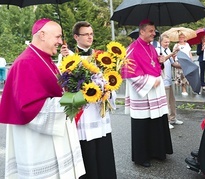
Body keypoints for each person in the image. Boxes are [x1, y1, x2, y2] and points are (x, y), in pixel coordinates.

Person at [0, 18, 85, 178]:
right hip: (37, 143)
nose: (61, 41)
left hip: (49, 138)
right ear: (43, 35)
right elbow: (29, 108)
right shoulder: (25, 62)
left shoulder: (44, 58)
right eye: (58, 37)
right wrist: (74, 99)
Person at [60, 21, 117, 179]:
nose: (90, 37)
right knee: (88, 152)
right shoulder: (68, 57)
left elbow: (110, 79)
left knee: (103, 149)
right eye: (86, 34)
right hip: (84, 113)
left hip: (99, 111)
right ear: (76, 37)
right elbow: (63, 85)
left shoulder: (100, 56)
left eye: (91, 34)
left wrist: (107, 90)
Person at [121, 19, 173, 167]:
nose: (154, 33)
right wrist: (150, 82)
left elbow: (153, 64)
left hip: (156, 91)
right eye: (150, 31)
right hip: (142, 92)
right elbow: (128, 72)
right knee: (142, 124)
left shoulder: (151, 47)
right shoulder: (132, 48)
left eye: (154, 30)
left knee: (156, 121)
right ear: (141, 31)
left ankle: (157, 152)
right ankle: (141, 157)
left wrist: (161, 61)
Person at [156, 34, 183, 129]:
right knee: (165, 103)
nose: (167, 44)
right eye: (165, 42)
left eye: (168, 42)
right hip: (162, 80)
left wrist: (184, 66)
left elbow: (173, 63)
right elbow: (162, 60)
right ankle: (166, 121)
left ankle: (173, 118)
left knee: (172, 101)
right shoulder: (157, 50)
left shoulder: (167, 50)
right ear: (160, 42)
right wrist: (173, 53)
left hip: (169, 80)